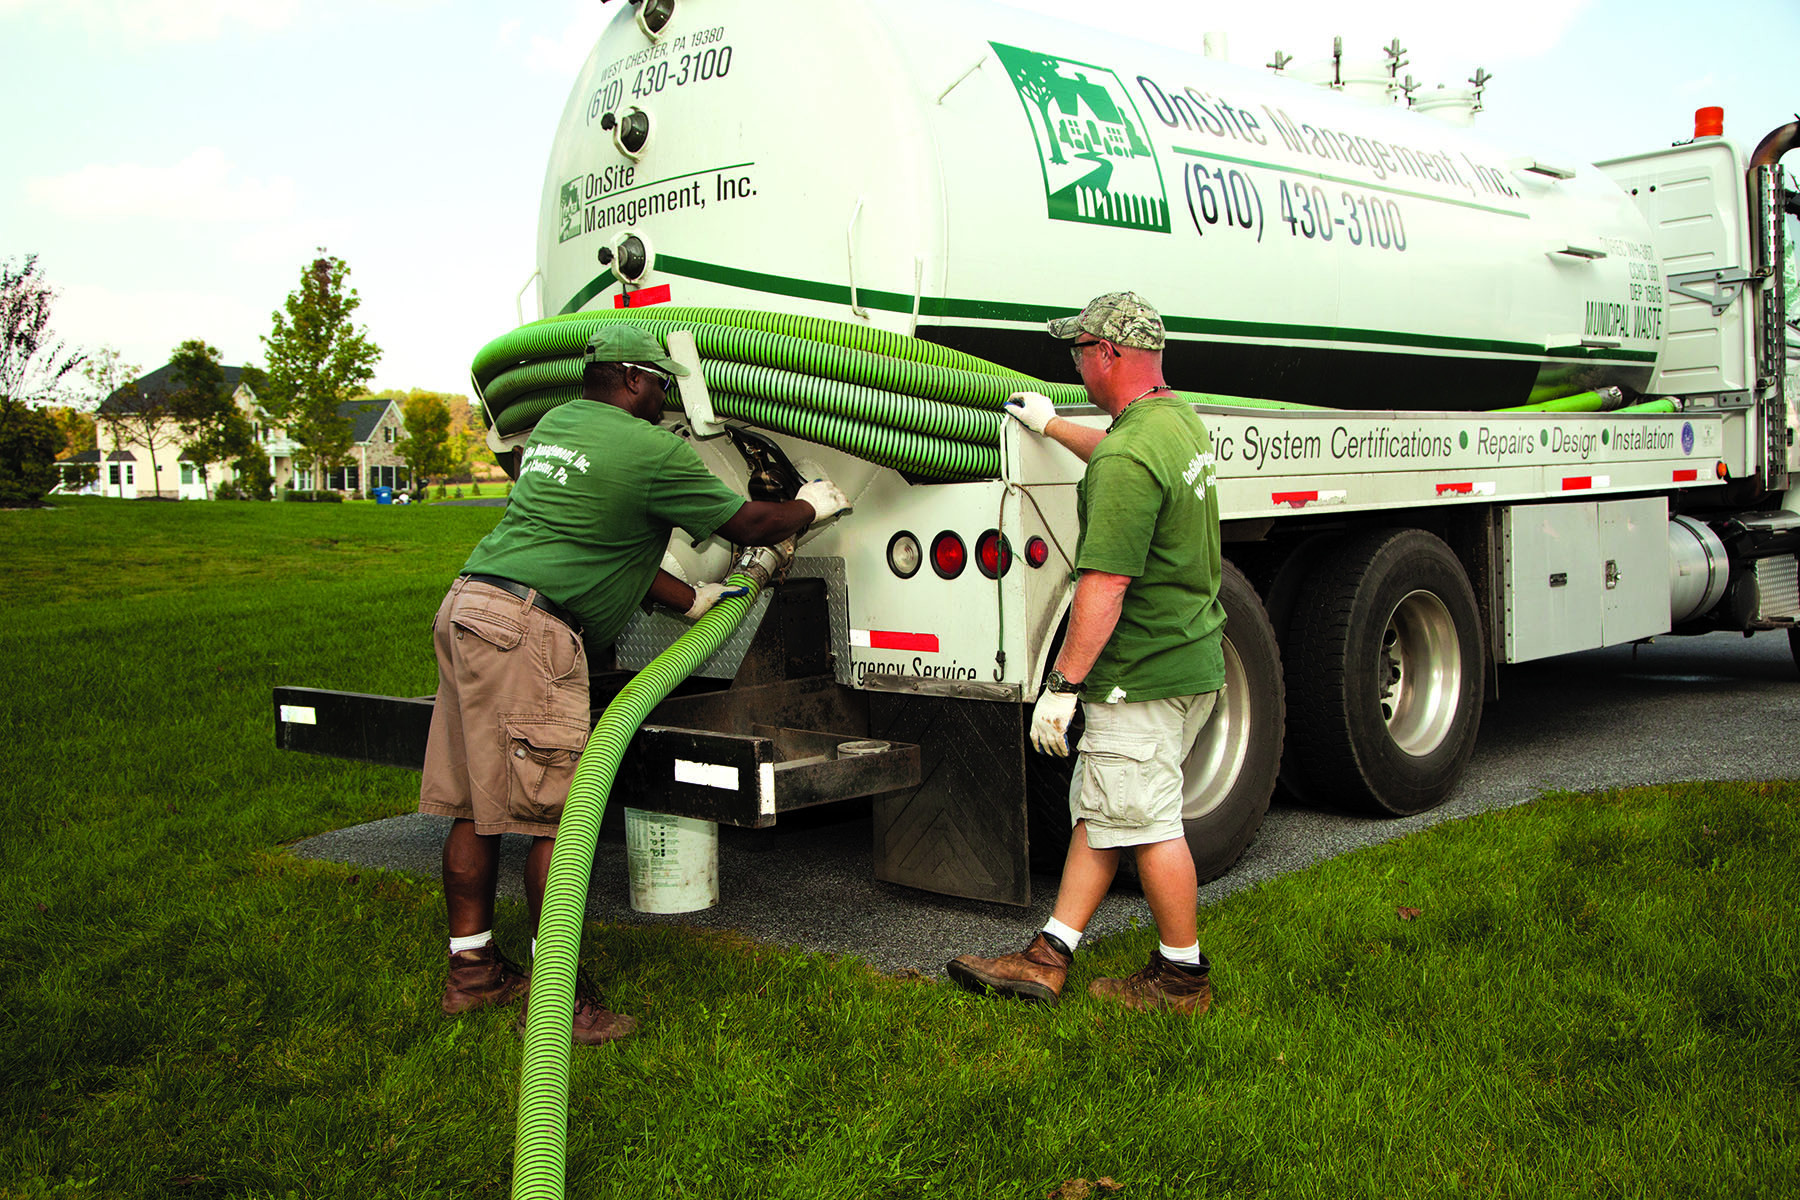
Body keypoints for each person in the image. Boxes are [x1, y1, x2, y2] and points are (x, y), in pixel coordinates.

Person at [420, 323, 849, 1044]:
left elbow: (597, 539)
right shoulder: (651, 449)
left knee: (473, 806)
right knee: (554, 818)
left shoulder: (558, 427)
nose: (663, 401)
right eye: (659, 386)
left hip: (470, 608)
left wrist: (692, 601)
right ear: (631, 378)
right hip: (529, 631)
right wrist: (813, 506)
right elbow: (748, 521)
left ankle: (472, 972)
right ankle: (558, 1000)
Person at [945, 292, 1225, 1014]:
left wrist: (1063, 685)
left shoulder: (1131, 453)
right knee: (1105, 809)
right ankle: (1049, 956)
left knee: (1148, 823)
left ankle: (1182, 979)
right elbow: (1123, 459)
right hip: (1190, 657)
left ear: (1108, 353)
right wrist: (1053, 425)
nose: (1073, 362)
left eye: (1079, 350)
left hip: (1141, 675)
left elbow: (1103, 585)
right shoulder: (1175, 422)